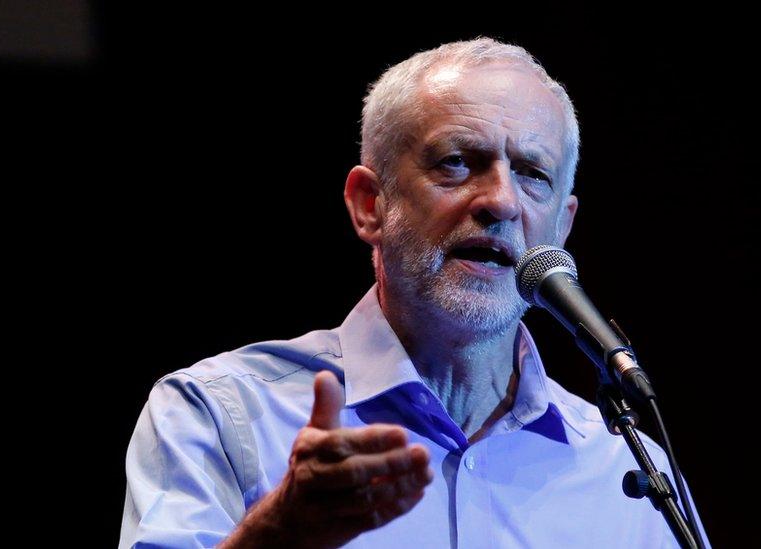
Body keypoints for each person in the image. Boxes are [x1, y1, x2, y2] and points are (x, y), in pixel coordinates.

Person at [120, 38, 707, 548]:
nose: (501, 201)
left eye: (533, 174)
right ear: (370, 205)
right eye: (457, 163)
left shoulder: (628, 472)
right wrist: (282, 535)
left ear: (561, 225)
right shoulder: (221, 415)